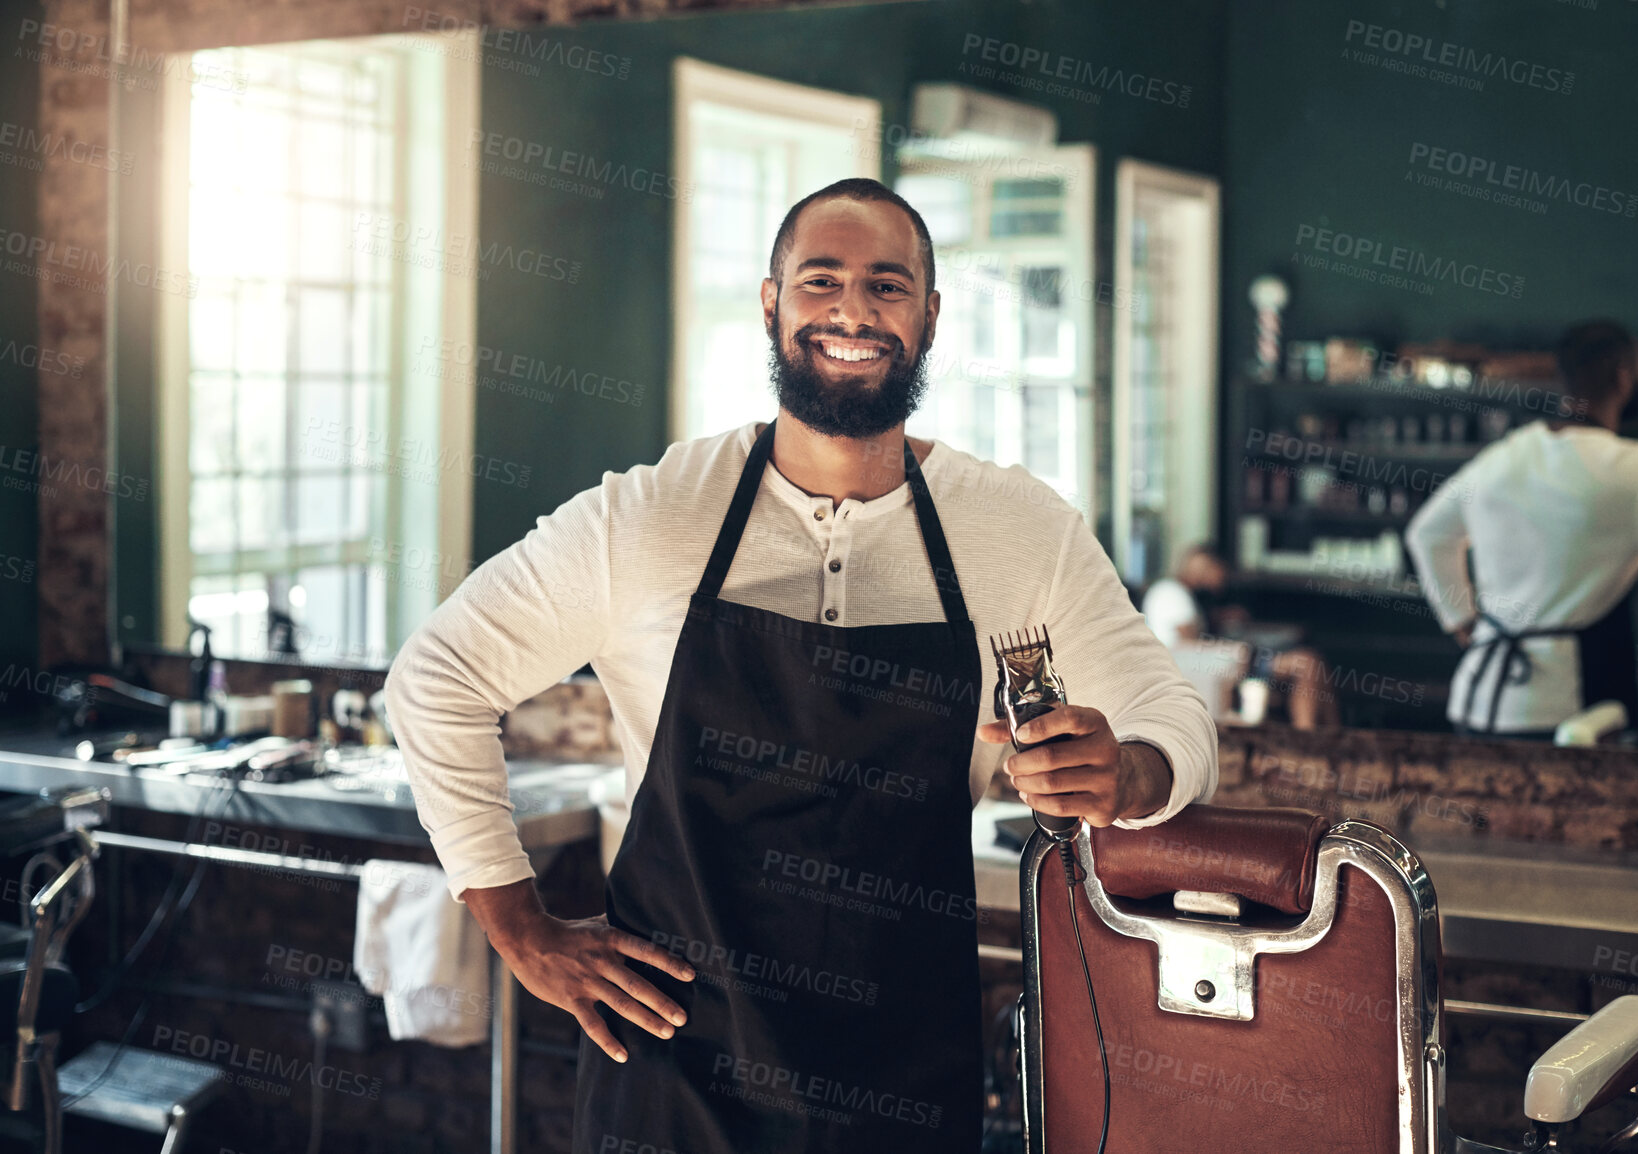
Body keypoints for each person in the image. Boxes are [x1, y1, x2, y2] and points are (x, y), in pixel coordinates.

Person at [383, 178, 1218, 1154]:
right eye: (820, 279)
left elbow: (1170, 710)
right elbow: (435, 674)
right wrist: (520, 929)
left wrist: (1130, 771)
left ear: (932, 315)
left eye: (888, 285)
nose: (853, 310)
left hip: (903, 1074)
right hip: (673, 1069)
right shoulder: (651, 517)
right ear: (772, 302)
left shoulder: (1017, 529)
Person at [1405, 320, 1638, 737]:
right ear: (1624, 378)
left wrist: (1464, 622)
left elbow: (1427, 535)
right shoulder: (1637, 472)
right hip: (1565, 716)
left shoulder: (1504, 456)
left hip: (1479, 700)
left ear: (1561, 379)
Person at [1144, 543, 1338, 729]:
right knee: (1307, 664)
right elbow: (1189, 644)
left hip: (1221, 665)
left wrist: (1218, 619)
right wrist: (1235, 649)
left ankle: (1328, 737)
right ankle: (1308, 736)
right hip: (1221, 667)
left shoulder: (1177, 594)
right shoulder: (1172, 592)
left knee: (1311, 662)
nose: (1222, 580)